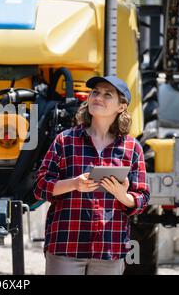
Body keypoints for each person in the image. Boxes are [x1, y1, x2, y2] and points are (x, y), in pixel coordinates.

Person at [34, 75, 150, 275]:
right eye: (95, 92)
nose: (98, 97)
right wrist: (74, 184)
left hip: (110, 247)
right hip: (66, 245)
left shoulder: (132, 148)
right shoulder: (65, 141)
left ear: (121, 107)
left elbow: (142, 198)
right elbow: (40, 186)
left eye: (107, 94)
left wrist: (122, 195)